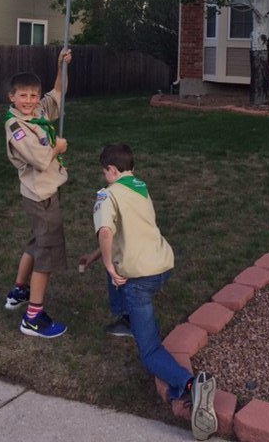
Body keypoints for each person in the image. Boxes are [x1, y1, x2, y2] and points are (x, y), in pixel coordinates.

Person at [79, 143, 218, 441]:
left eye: (104, 171)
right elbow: (123, 231)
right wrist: (96, 258)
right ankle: (127, 318)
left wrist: (107, 262)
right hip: (163, 265)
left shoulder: (107, 193)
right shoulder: (140, 187)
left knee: (150, 351)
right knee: (112, 266)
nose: (104, 176)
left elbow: (106, 231)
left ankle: (193, 385)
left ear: (111, 170)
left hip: (140, 279)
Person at [3, 48, 72, 339]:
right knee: (46, 251)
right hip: (39, 196)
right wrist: (57, 148)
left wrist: (61, 65)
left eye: (33, 95)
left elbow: (58, 92)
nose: (30, 101)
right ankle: (32, 317)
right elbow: (39, 156)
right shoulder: (16, 127)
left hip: (44, 192)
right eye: (24, 96)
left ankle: (19, 290)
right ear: (12, 98)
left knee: (35, 243)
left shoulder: (38, 111)